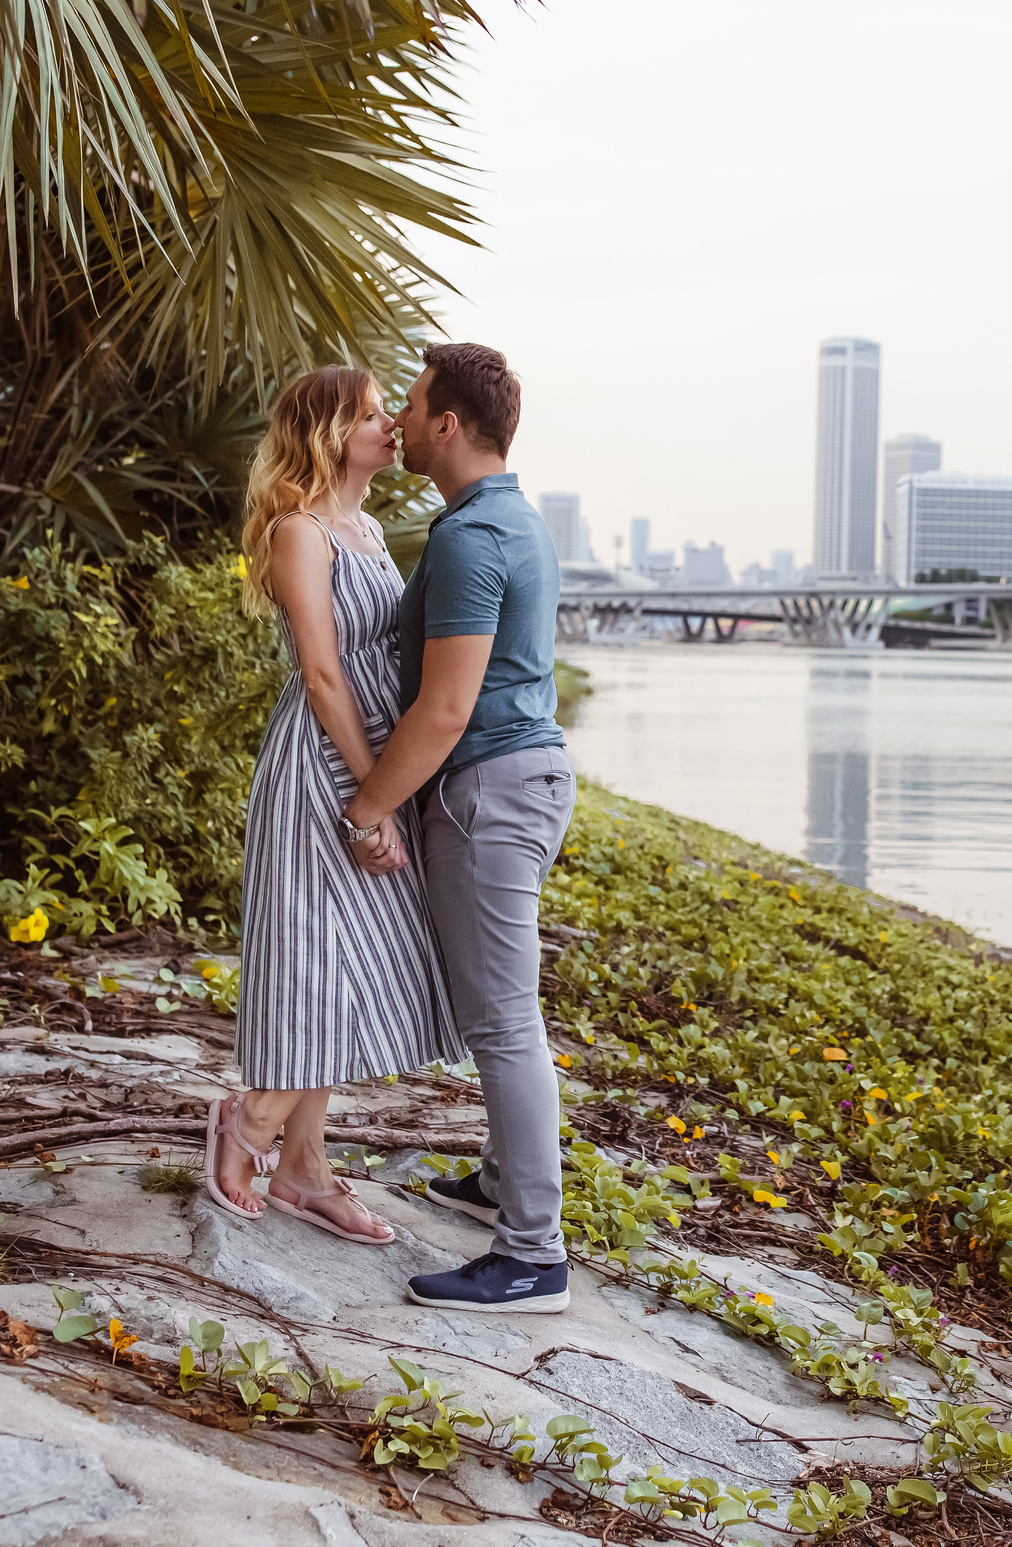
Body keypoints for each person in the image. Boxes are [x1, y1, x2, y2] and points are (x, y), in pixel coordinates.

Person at [341, 342, 577, 1314]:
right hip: (515, 779)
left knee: (502, 1019)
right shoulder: (503, 518)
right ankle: (498, 1187)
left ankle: (533, 1256)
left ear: (447, 423)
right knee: (500, 1008)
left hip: (490, 788)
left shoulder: (473, 539)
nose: (396, 422)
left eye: (410, 405)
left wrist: (369, 804)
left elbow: (444, 710)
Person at [208, 365, 457, 1244]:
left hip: (374, 762)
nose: (392, 425)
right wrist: (370, 793)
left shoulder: (369, 531)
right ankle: (252, 1123)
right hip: (326, 765)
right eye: (372, 414)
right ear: (328, 432)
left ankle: (305, 1170)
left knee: (345, 961)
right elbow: (321, 671)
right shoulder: (299, 531)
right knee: (319, 959)